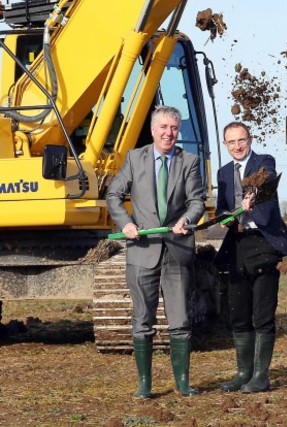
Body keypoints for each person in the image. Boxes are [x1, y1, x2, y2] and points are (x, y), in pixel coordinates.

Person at [106, 105, 206, 398]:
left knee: (180, 319)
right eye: (163, 127)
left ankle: (183, 383)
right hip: (142, 250)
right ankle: (144, 384)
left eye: (174, 128)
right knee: (143, 319)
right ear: (152, 130)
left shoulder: (189, 161)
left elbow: (197, 201)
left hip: (176, 250)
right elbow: (114, 194)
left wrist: (186, 219)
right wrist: (125, 223)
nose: (169, 133)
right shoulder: (135, 159)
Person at [216, 121, 287, 393]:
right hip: (238, 244)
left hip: (264, 242)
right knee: (238, 312)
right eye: (231, 142)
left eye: (242, 140)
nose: (237, 146)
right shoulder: (224, 173)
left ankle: (261, 376)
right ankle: (244, 373)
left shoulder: (264, 161)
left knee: (262, 312)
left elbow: (264, 182)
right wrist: (227, 217)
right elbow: (222, 210)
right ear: (225, 145)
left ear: (250, 140)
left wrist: (250, 198)